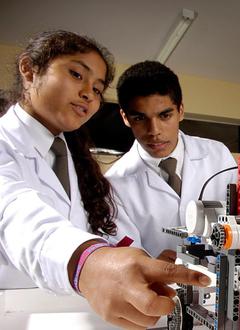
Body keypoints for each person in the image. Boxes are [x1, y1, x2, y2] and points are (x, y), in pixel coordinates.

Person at [0, 30, 210, 329]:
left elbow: (108, 227)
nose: (88, 93)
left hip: (76, 310)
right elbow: (14, 213)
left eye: (98, 89)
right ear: (29, 69)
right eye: (76, 74)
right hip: (17, 310)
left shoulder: (72, 157)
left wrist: (142, 260)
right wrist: (87, 262)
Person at [105, 61, 237, 258]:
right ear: (125, 117)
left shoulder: (218, 155)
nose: (154, 131)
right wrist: (150, 264)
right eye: (140, 118)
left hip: (226, 278)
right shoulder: (113, 183)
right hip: (161, 287)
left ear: (180, 110)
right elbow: (126, 253)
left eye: (165, 115)